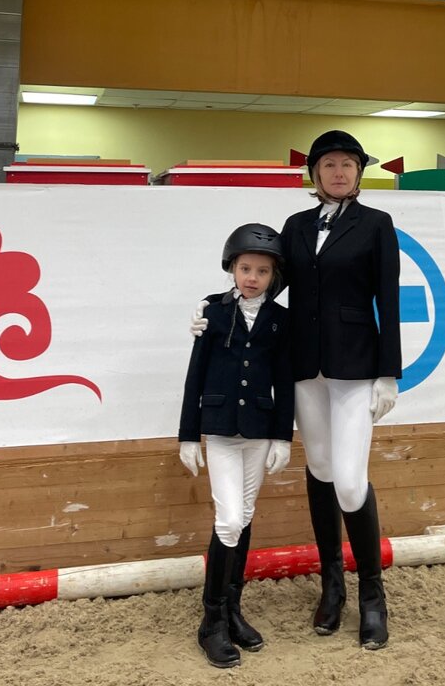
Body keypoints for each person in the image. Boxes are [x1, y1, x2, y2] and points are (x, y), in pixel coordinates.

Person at [190, 130, 401, 651]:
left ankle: (372, 595)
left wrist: (388, 372)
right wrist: (217, 309)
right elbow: (264, 282)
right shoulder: (295, 226)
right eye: (328, 164)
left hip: (354, 368)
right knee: (321, 470)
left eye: (347, 165)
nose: (338, 172)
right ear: (314, 174)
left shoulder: (377, 225)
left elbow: (388, 300)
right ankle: (333, 586)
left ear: (357, 173)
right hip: (304, 367)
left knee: (351, 483)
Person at [178, 222, 294, 670]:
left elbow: (283, 381)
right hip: (222, 430)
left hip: (260, 430)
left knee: (244, 518)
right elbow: (195, 376)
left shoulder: (281, 320)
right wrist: (188, 434)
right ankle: (210, 623)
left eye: (262, 271)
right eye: (245, 268)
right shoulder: (213, 311)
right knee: (227, 519)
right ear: (232, 267)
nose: (252, 277)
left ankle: (231, 609)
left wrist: (284, 434)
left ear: (272, 276)